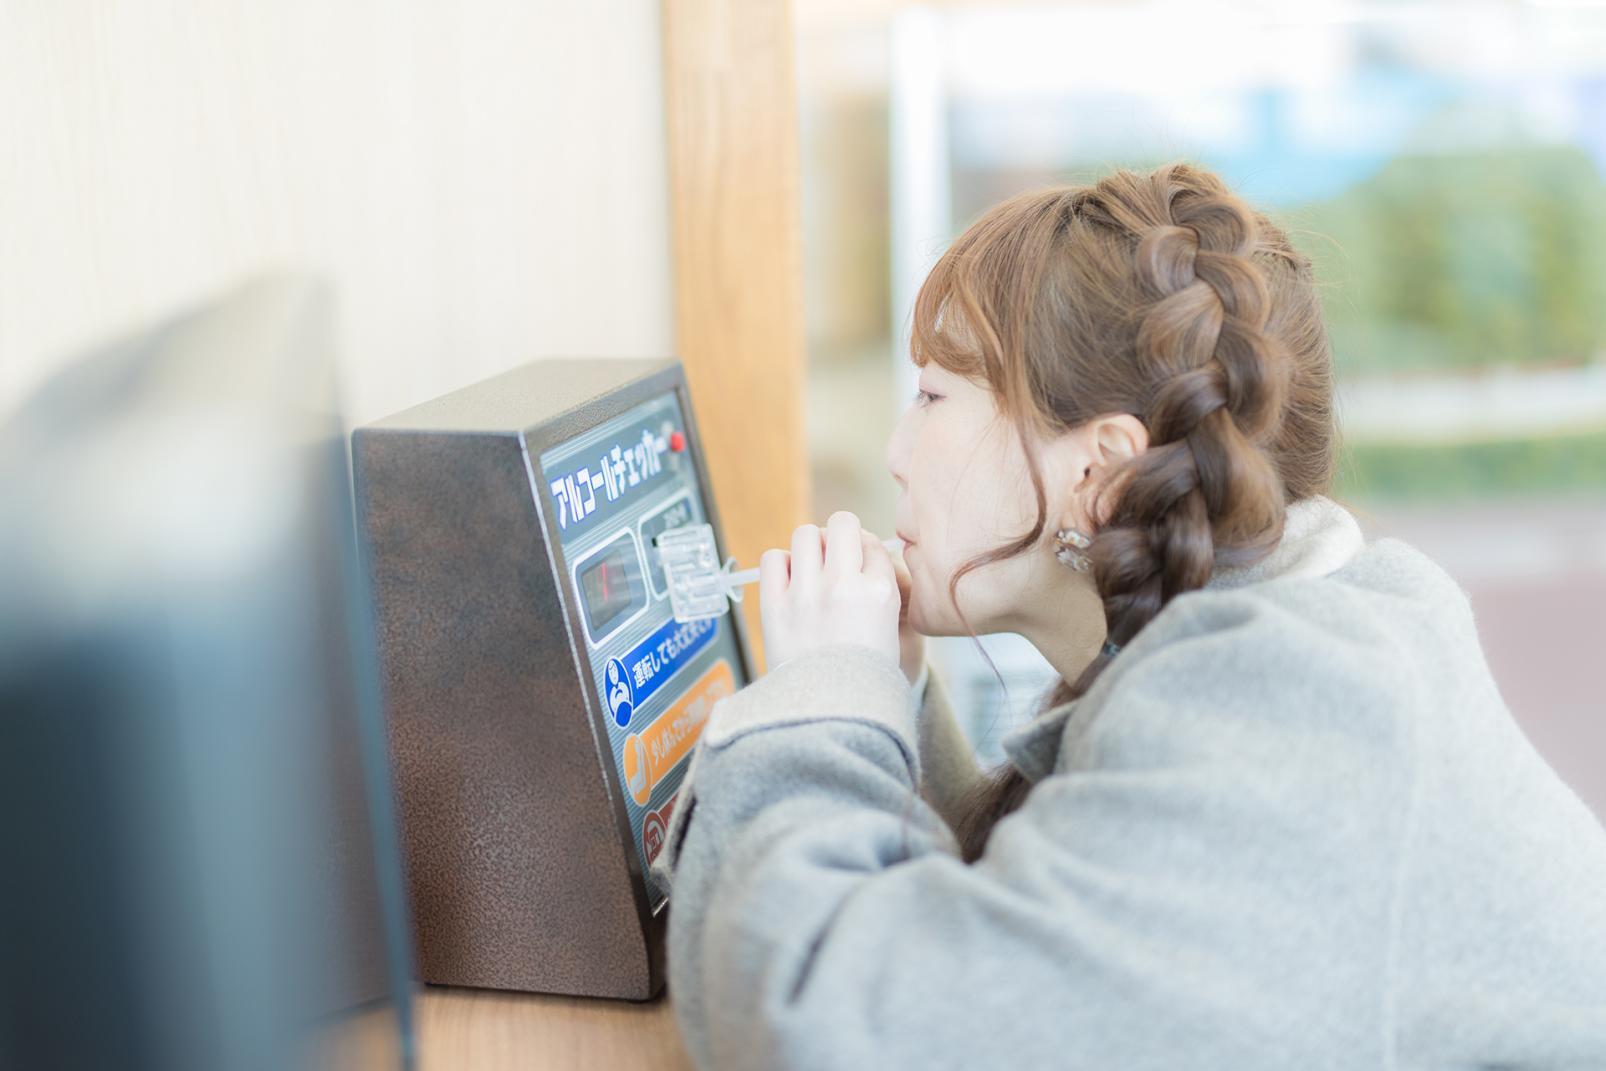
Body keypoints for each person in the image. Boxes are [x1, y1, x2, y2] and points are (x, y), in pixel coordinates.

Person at [648, 162, 1606, 1069]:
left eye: (933, 396)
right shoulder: (1280, 647)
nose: (897, 451)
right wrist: (889, 690)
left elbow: (831, 1031)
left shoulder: (1292, 725)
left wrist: (828, 698)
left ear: (1098, 470)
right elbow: (1042, 938)